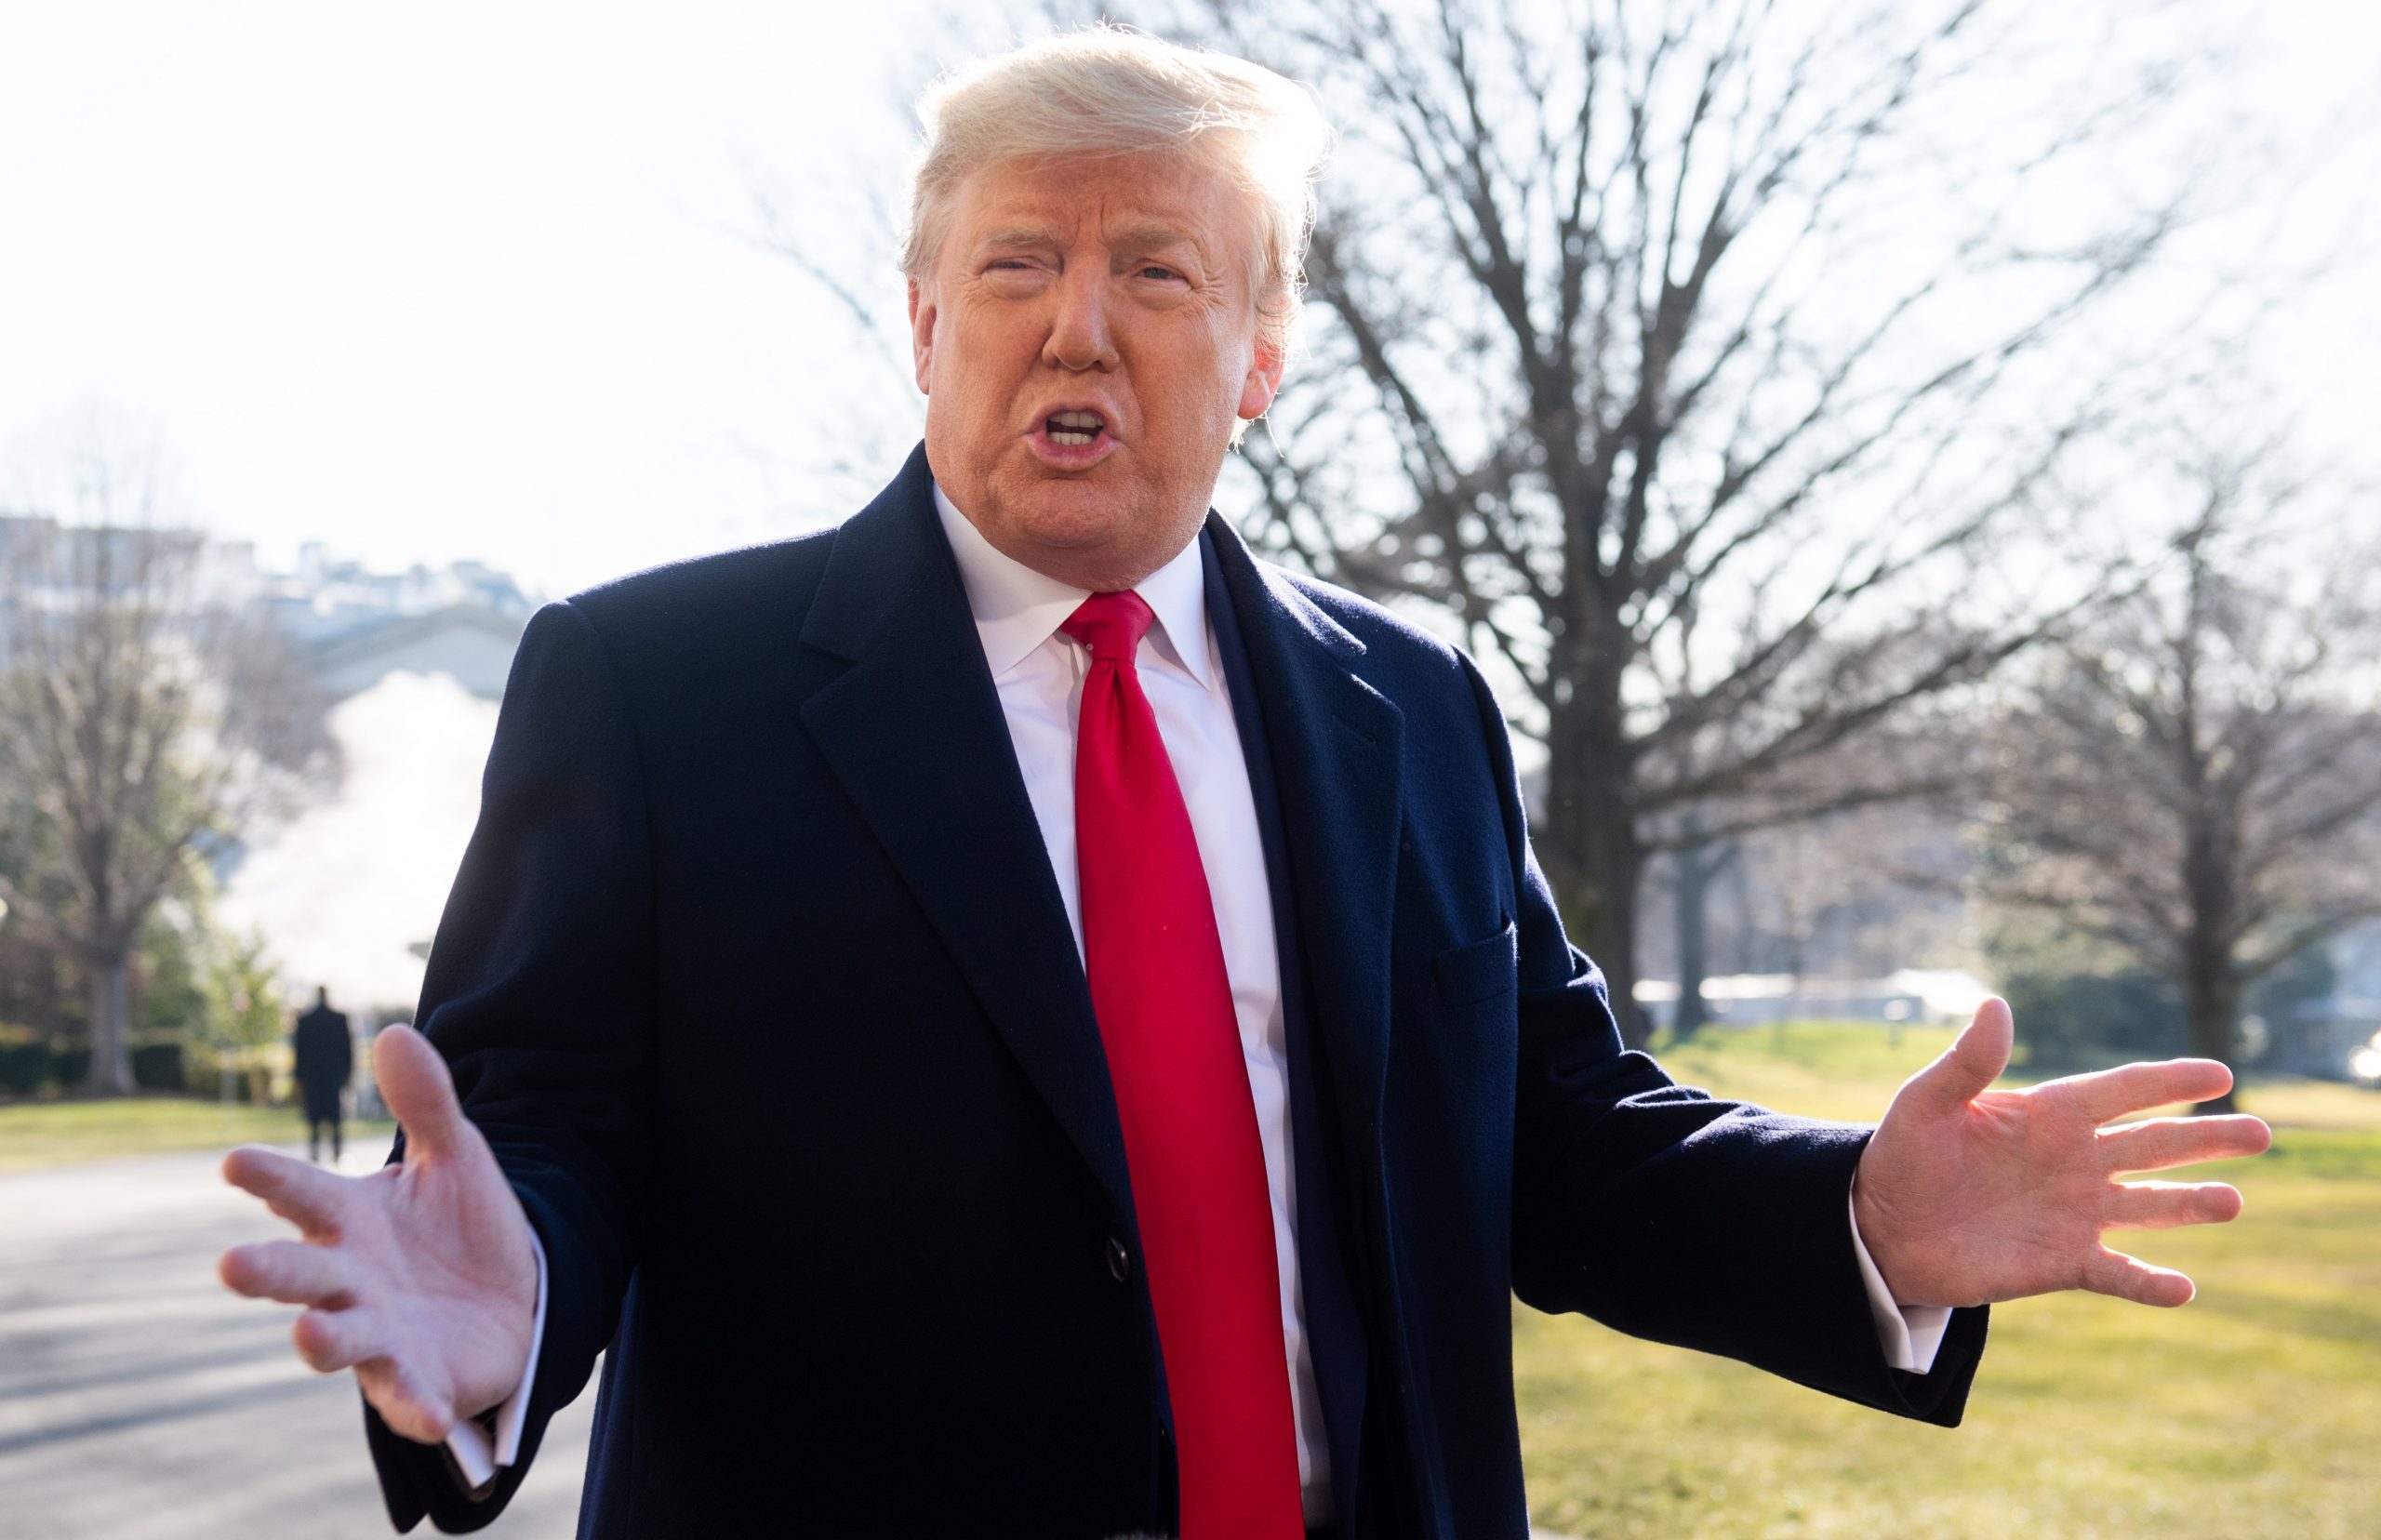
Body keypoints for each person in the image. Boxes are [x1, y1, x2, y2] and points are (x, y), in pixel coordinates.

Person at [217, 29, 2271, 1540]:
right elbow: (544, 1136)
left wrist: (1855, 1215)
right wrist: (507, 1301)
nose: (1072, 328)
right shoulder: (656, 689)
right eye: (1014, 268)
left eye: (1159, 273)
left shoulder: (1413, 706)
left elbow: (1561, 1144)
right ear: (924, 322)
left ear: (1263, 354)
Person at [290, 985, 352, 1166]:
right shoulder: (339, 1019)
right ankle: (337, 1153)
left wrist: (298, 1078)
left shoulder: (305, 1020)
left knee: (314, 1116)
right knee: (335, 1117)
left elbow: (299, 1053)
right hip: (334, 1075)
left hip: (313, 1076)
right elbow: (348, 1050)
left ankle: (314, 1153)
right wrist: (348, 1074)